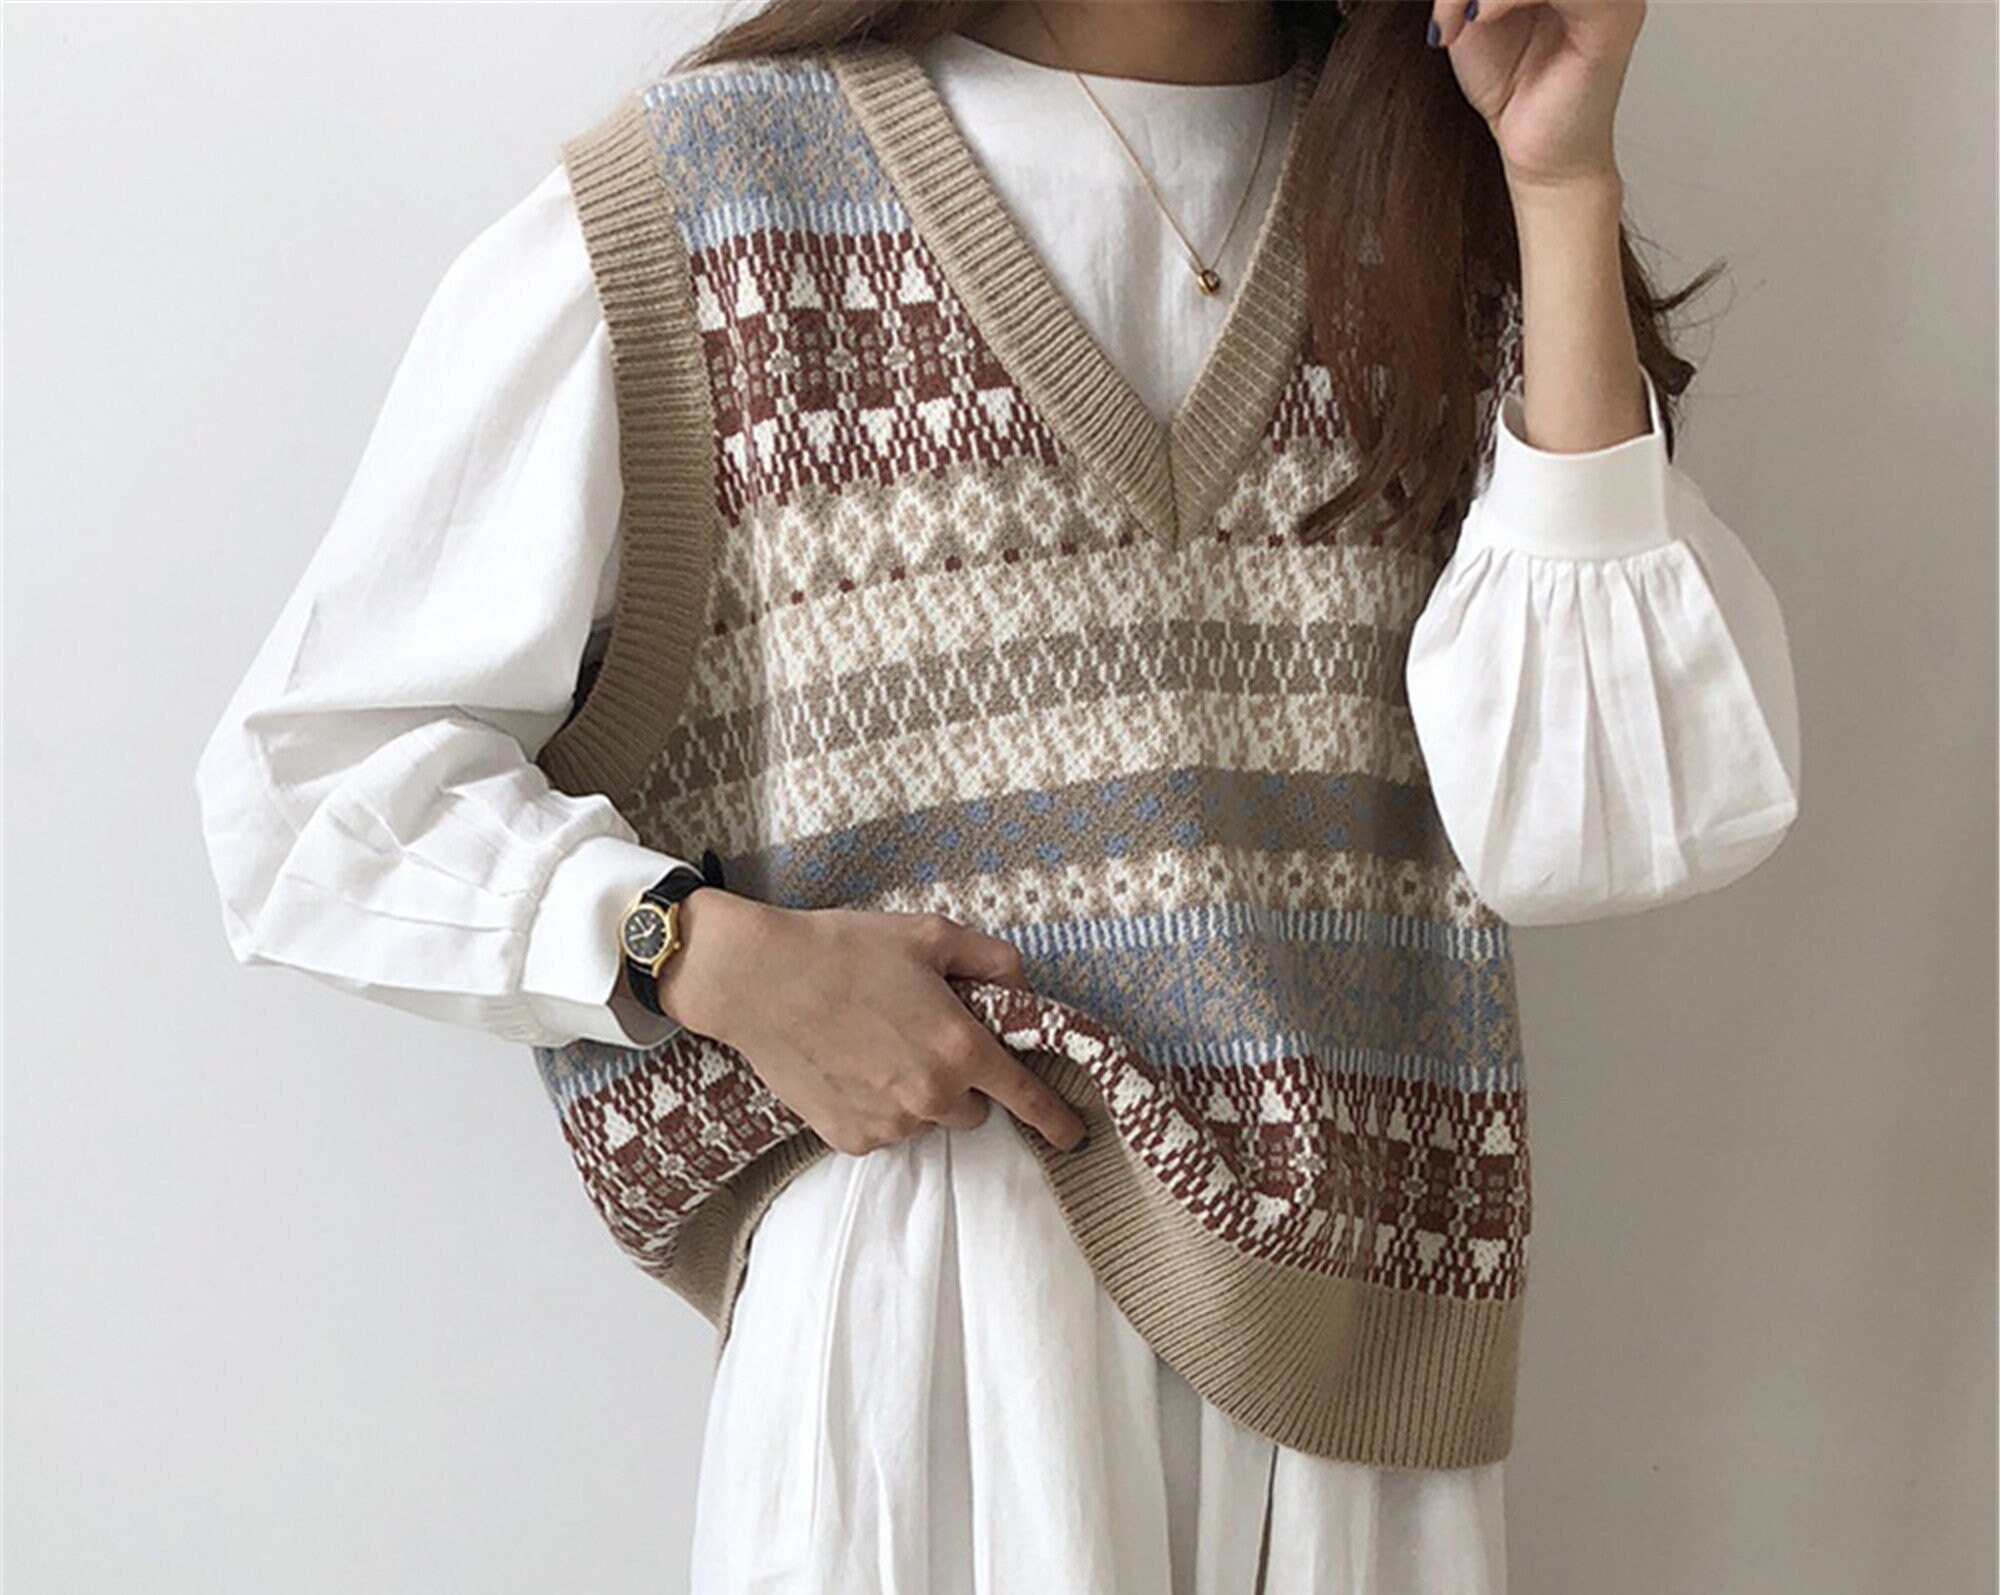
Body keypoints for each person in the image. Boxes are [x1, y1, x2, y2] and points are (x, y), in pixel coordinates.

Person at [194, 2, 1802, 1591]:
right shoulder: (714, 200)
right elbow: (312, 780)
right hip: (930, 1334)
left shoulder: (1445, 213)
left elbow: (1600, 823)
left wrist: (1562, 183)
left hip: (1351, 1374)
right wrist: (698, 951)